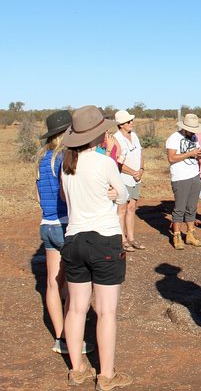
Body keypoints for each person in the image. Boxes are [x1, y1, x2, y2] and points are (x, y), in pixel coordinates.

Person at [60, 105, 133, 389]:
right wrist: (116, 194)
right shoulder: (104, 163)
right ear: (99, 134)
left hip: (74, 239)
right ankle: (106, 375)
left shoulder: (68, 166)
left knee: (76, 308)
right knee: (106, 312)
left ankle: (77, 368)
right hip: (104, 238)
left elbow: (69, 203)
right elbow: (123, 194)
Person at [35, 110, 84, 354]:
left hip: (47, 224)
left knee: (53, 284)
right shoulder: (65, 157)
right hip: (66, 224)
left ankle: (61, 337)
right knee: (74, 285)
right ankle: (74, 337)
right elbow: (66, 194)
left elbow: (38, 196)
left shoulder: (41, 159)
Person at [166, 113, 201, 250]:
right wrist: (190, 154)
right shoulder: (174, 138)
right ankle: (176, 235)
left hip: (194, 174)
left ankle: (190, 234)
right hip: (180, 177)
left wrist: (198, 155)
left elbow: (194, 154)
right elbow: (171, 158)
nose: (194, 132)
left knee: (192, 207)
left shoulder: (194, 137)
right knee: (180, 208)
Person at [113, 110, 145, 251]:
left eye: (131, 121)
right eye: (128, 122)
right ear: (121, 125)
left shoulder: (135, 136)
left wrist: (141, 170)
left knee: (132, 207)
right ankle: (122, 239)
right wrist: (133, 172)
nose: (131, 123)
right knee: (122, 208)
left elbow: (140, 154)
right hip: (123, 178)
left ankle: (131, 238)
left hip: (136, 178)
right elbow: (117, 162)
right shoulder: (116, 138)